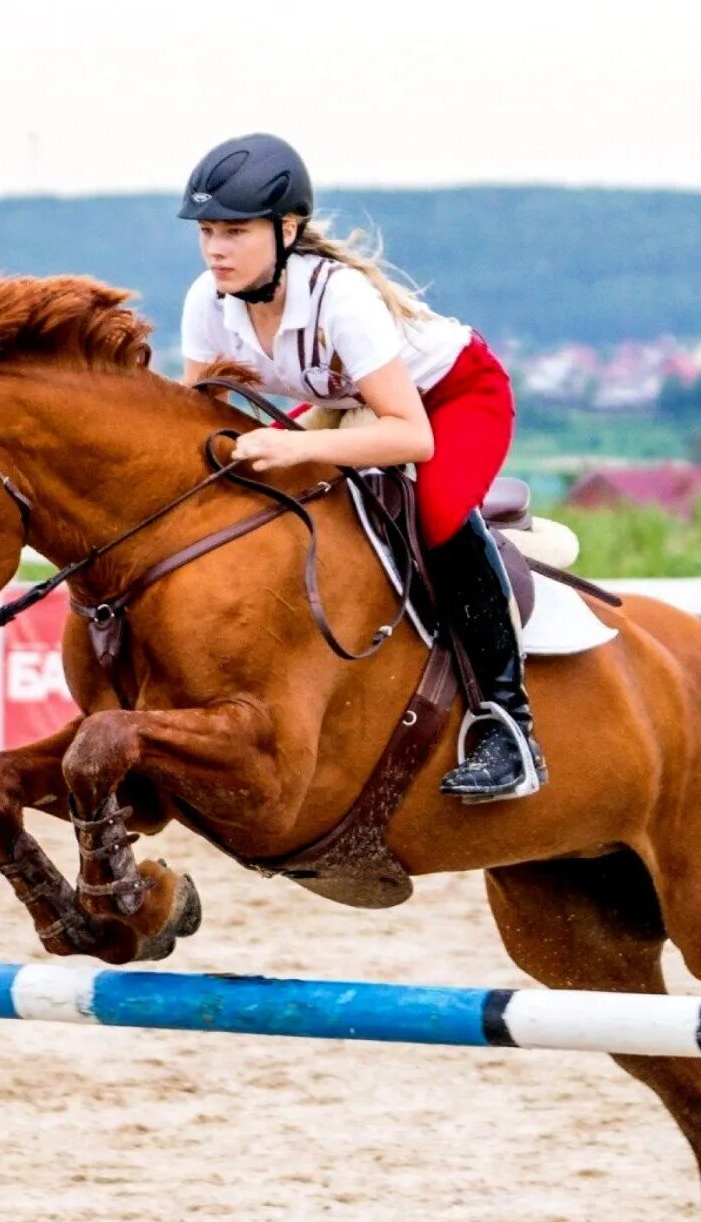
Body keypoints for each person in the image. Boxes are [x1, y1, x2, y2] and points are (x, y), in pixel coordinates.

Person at [176, 133, 543, 802]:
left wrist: (294, 445)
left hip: (449, 402)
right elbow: (199, 421)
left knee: (435, 515)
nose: (216, 250)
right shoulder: (208, 300)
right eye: (206, 232)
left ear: (287, 229)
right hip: (348, 408)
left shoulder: (337, 297)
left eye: (234, 231)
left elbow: (410, 436)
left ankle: (508, 729)